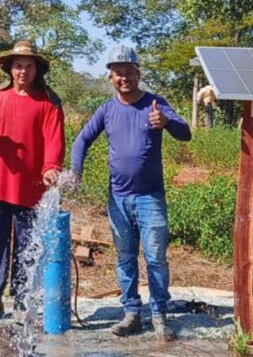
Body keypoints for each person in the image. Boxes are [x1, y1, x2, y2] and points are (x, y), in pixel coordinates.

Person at [70, 45, 191, 341]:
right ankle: (132, 313)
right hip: (118, 199)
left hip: (150, 198)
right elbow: (82, 139)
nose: (124, 78)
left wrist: (166, 122)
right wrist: (76, 171)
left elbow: (185, 132)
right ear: (111, 78)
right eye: (118, 73)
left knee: (156, 258)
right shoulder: (107, 109)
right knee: (125, 258)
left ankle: (159, 314)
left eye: (129, 72)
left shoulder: (155, 104)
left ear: (139, 73)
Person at [0, 40, 65, 321]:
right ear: (10, 68)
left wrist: (50, 167)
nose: (23, 71)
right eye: (18, 65)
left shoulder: (48, 101)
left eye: (28, 66)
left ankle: (23, 303)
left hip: (31, 189)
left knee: (28, 246)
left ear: (37, 70)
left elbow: (54, 141)